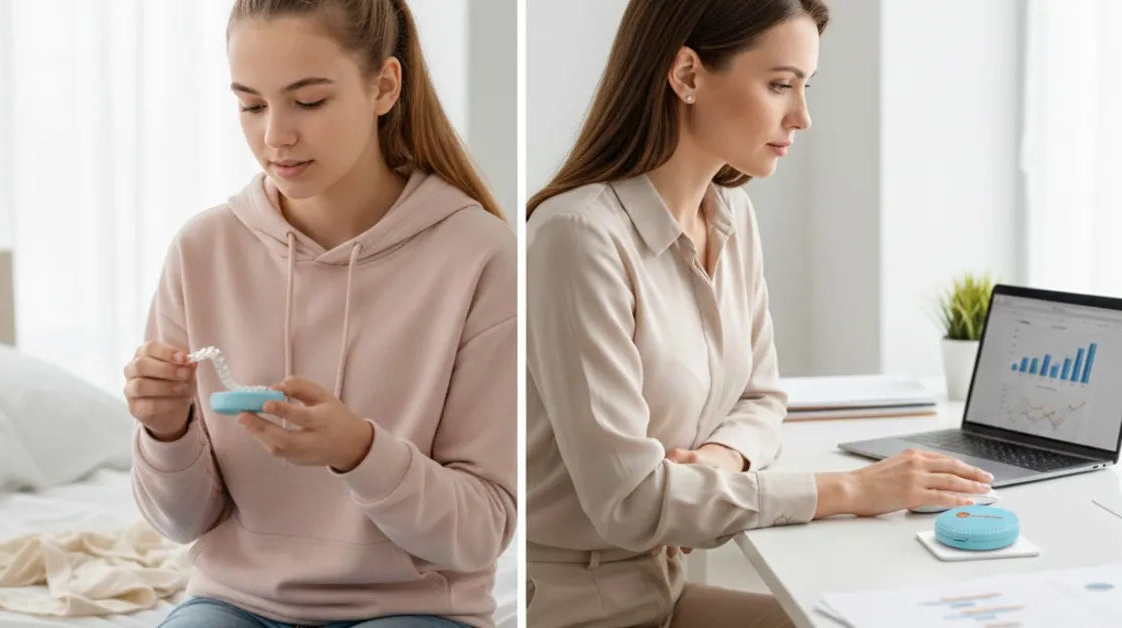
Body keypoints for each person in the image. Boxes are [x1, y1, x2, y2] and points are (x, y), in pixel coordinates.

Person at [525, 1, 992, 626]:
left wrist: (717, 462)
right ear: (687, 75)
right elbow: (630, 504)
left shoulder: (732, 216)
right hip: (582, 608)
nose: (801, 116)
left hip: (660, 588)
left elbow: (763, 398)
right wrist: (851, 491)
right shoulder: (578, 235)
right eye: (779, 85)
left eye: (804, 87)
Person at [122, 1, 516, 626]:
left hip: (411, 609)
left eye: (308, 102)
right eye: (251, 105)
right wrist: (165, 431)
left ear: (384, 86)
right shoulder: (202, 250)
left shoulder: (480, 257)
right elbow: (179, 523)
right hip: (234, 602)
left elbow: (480, 532)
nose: (275, 135)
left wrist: (359, 452)